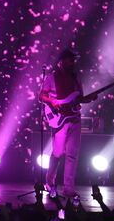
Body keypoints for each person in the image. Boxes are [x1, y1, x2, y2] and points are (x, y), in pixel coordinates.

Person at [39, 50, 96, 199]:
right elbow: (41, 96)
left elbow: (80, 98)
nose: (73, 63)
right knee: (57, 153)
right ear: (61, 61)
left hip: (75, 119)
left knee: (72, 155)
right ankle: (49, 183)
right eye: (70, 60)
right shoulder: (51, 77)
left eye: (73, 60)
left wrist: (89, 98)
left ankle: (68, 189)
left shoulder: (76, 78)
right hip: (59, 120)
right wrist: (53, 103)